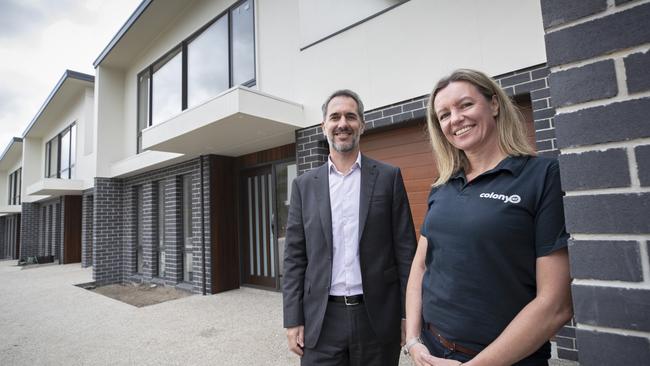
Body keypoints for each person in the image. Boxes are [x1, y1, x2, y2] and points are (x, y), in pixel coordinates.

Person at [403, 69, 573, 366]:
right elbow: (420, 266)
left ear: (494, 104)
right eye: (443, 115)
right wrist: (413, 341)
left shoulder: (542, 176)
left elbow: (556, 304)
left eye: (465, 105)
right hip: (431, 353)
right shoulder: (442, 186)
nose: (455, 119)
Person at [282, 89, 417, 365]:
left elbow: (405, 252)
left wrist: (408, 315)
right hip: (321, 320)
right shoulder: (304, 186)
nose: (342, 123)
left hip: (377, 317)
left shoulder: (388, 178)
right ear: (324, 126)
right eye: (335, 117)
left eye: (350, 116)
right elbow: (295, 258)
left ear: (362, 125)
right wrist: (293, 318)